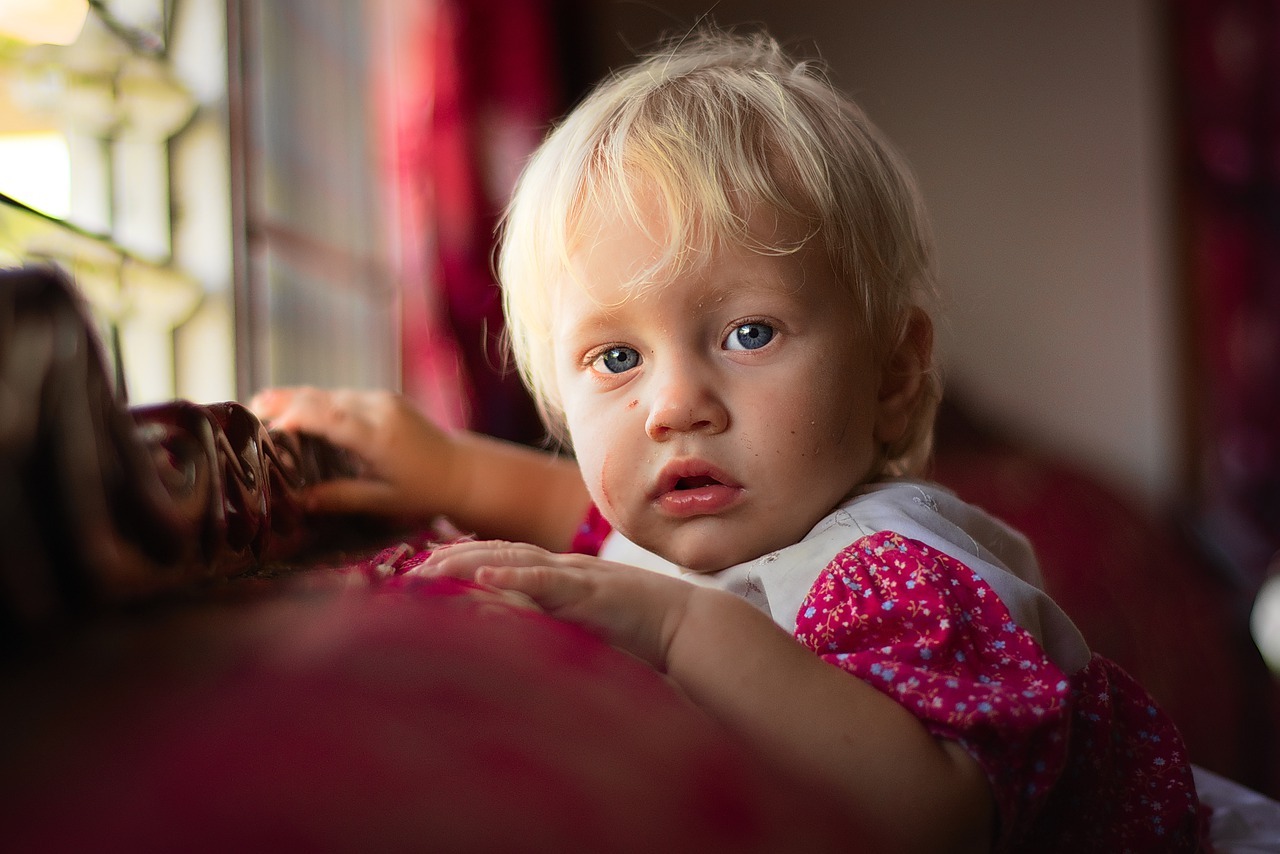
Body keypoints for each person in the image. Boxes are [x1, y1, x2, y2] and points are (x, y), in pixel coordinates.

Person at [252, 30, 1209, 852]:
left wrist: (677, 630)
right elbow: (582, 517)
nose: (675, 405)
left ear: (892, 373)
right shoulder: (713, 512)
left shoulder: (895, 565)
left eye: (749, 334)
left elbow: (934, 819)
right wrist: (446, 465)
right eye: (617, 356)